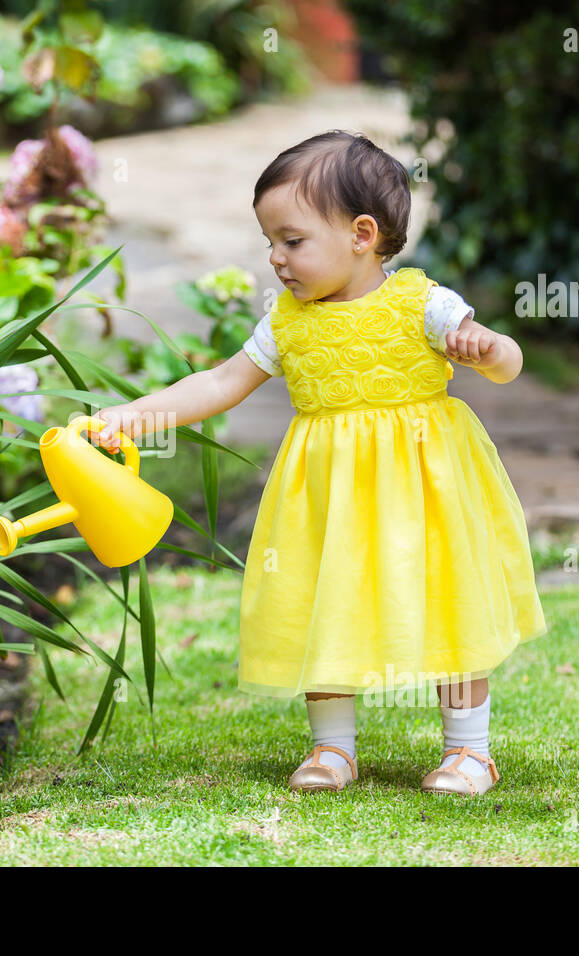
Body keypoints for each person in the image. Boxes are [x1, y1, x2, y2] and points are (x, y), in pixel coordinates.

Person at [85, 130, 548, 796]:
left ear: (362, 234)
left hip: (425, 487)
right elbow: (220, 383)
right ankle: (333, 749)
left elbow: (508, 362)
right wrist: (135, 416)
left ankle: (469, 751)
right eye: (270, 241)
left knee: (450, 601)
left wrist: (488, 348)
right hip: (327, 495)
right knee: (325, 600)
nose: (276, 258)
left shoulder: (425, 304)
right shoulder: (286, 321)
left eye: (292, 241)